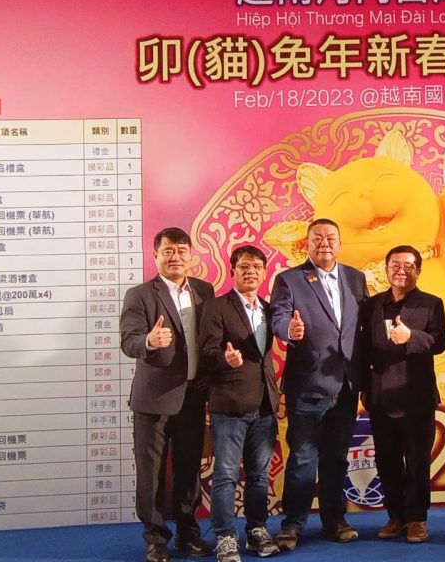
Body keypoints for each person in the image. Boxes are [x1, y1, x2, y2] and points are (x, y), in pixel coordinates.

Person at [269, 219, 368, 550]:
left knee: (336, 459)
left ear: (340, 243)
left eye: (331, 238)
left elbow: (364, 326)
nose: (324, 243)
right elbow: (278, 317)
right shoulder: (290, 279)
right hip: (308, 386)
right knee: (302, 459)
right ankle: (292, 525)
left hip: (347, 386)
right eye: (317, 238)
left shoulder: (355, 278)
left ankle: (334, 521)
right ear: (307, 244)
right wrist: (289, 331)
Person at [120, 227, 215, 562]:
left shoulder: (204, 290)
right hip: (154, 400)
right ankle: (155, 538)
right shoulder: (140, 295)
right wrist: (148, 341)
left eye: (181, 251)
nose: (175, 257)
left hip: (193, 396)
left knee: (189, 469)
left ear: (191, 255)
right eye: (168, 251)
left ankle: (188, 533)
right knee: (152, 472)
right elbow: (128, 341)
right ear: (155, 255)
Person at [199, 246, 281, 561]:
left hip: (265, 404)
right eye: (244, 266)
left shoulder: (270, 309)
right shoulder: (216, 307)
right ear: (233, 270)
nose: (251, 272)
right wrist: (225, 359)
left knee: (259, 475)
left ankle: (256, 530)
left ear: (264, 272)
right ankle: (225, 536)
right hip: (230, 404)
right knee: (226, 475)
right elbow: (206, 353)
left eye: (257, 266)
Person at [362, 245, 445, 543]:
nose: (401, 270)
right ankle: (395, 516)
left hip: (416, 397)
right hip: (380, 396)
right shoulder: (372, 304)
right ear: (386, 269)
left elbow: (439, 342)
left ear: (418, 271)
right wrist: (365, 388)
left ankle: (417, 518)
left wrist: (412, 336)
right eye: (395, 265)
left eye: (408, 266)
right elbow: (363, 348)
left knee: (417, 462)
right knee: (386, 462)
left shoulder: (431, 303)